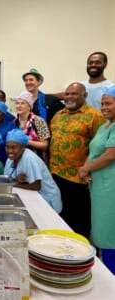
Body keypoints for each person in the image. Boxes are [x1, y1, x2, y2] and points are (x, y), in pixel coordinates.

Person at [50, 82, 105, 237]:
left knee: (79, 223)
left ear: (85, 95)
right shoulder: (59, 115)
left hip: (79, 178)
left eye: (74, 94)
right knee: (61, 218)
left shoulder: (95, 116)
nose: (69, 97)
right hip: (56, 175)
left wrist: (88, 169)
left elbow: (99, 147)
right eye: (67, 94)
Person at [79, 86, 115, 275]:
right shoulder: (104, 126)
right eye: (102, 103)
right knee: (100, 230)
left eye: (108, 103)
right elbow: (94, 151)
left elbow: (110, 155)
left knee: (110, 232)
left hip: (111, 188)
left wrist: (87, 169)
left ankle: (111, 274)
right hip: (99, 187)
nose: (104, 107)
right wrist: (85, 170)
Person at [4, 129, 62, 213]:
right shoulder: (10, 158)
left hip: (46, 198)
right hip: (31, 196)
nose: (9, 151)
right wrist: (16, 180)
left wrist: (15, 184)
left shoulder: (29, 158)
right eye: (7, 147)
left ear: (23, 147)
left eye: (13, 147)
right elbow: (8, 179)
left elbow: (36, 186)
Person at [14, 91, 50, 163]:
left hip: (36, 161)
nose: (19, 106)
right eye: (17, 103)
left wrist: (28, 142)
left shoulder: (39, 121)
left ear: (29, 106)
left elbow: (45, 145)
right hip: (19, 160)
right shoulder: (14, 122)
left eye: (23, 103)